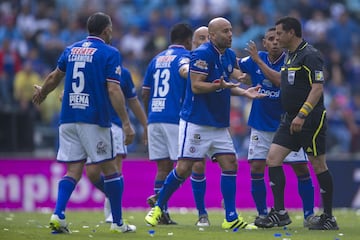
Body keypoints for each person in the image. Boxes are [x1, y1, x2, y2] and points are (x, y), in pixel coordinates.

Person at [144, 17, 264, 230]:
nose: (230, 34)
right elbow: (197, 86)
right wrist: (221, 85)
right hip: (196, 122)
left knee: (230, 164)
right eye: (225, 31)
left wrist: (245, 90)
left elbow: (232, 80)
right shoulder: (201, 54)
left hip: (218, 123)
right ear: (213, 36)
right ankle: (159, 207)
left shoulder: (228, 55)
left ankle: (230, 217)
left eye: (230, 30)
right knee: (183, 168)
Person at [32, 12, 137, 234]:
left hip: (68, 118)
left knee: (73, 170)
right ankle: (118, 223)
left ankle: (58, 215)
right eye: (111, 29)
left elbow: (54, 77)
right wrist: (126, 122)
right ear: (107, 30)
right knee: (110, 169)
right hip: (94, 120)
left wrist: (43, 91)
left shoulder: (71, 49)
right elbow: (113, 88)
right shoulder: (110, 52)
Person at [255, 16, 339, 230]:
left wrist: (302, 114)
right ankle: (280, 213)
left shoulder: (310, 55)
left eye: (280, 33)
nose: (277, 38)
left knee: (318, 164)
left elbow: (317, 87)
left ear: (291, 33)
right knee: (273, 158)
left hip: (310, 118)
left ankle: (328, 216)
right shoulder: (291, 56)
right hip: (289, 118)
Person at [238, 27, 315, 228]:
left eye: (277, 38)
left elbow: (278, 81)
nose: (274, 42)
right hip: (261, 125)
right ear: (264, 43)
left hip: (286, 126)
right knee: (256, 167)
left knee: (300, 167)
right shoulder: (256, 59)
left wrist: (257, 63)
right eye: (270, 39)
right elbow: (235, 66)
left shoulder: (291, 61)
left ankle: (309, 215)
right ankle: (263, 214)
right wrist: (243, 77)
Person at [142, 22, 194, 225]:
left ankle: (161, 211)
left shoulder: (155, 59)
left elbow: (145, 92)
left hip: (154, 117)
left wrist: (149, 115)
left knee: (163, 167)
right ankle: (159, 201)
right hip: (175, 117)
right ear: (189, 40)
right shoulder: (186, 58)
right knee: (185, 166)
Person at [85, 66, 148, 223]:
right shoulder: (90, 69)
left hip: (116, 126)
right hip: (95, 125)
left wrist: (146, 126)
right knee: (92, 173)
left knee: (114, 170)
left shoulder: (123, 73)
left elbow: (133, 101)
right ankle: (111, 195)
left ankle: (113, 214)